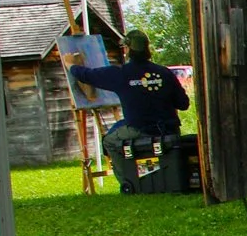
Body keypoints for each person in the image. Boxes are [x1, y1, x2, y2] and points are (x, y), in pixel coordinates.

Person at [77, 29, 190, 190]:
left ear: (128, 49)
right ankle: (153, 175)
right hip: (170, 130)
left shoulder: (122, 74)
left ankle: (129, 183)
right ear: (147, 49)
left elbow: (88, 75)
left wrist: (72, 67)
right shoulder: (164, 73)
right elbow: (183, 104)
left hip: (140, 129)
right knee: (121, 128)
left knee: (110, 141)